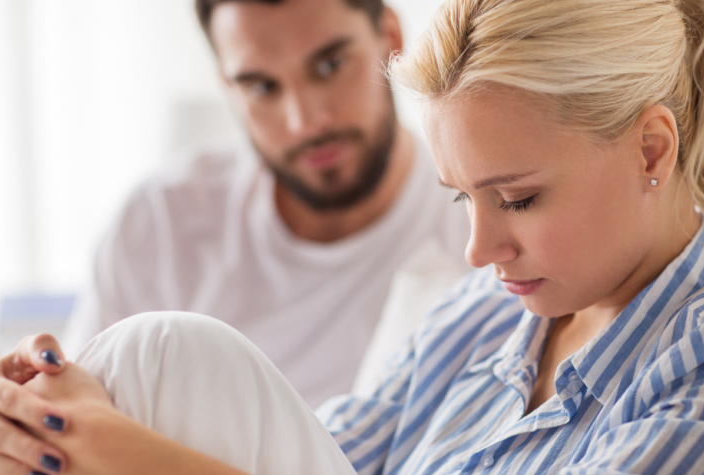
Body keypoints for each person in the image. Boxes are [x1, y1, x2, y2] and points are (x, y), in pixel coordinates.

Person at [0, 0, 704, 475]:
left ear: (652, 148)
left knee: (167, 357)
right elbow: (289, 468)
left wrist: (102, 450)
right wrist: (57, 431)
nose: (479, 252)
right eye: (461, 201)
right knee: (144, 376)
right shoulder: (477, 316)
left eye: (516, 199)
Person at [62, 0, 470, 407]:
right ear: (228, 87)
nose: (304, 121)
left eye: (330, 66)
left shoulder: (483, 232)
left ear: (391, 38)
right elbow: (74, 419)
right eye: (261, 87)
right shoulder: (159, 225)